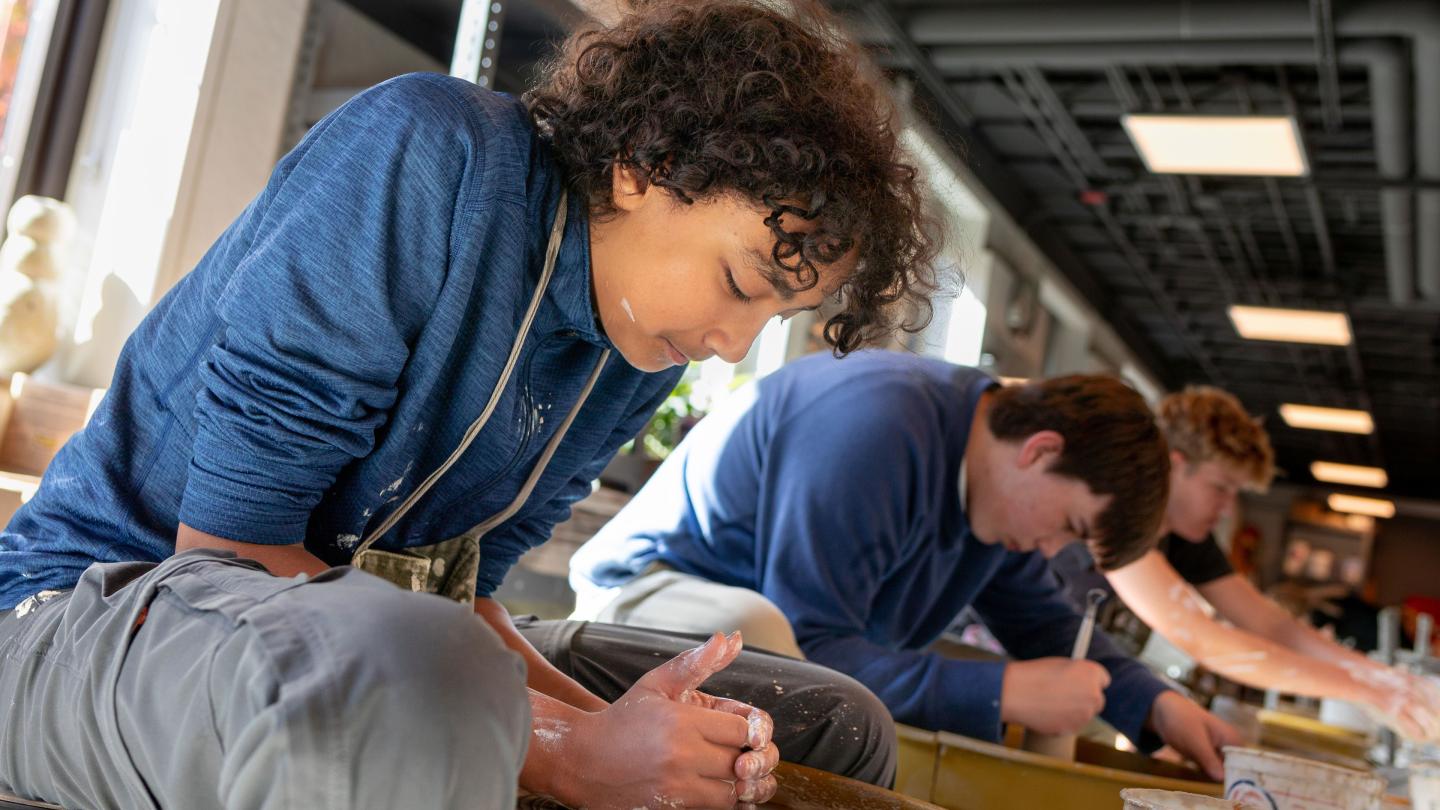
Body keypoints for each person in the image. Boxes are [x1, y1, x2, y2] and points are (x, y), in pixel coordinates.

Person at [0, 3, 938, 808]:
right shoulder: (428, 151)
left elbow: (463, 594)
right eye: (739, 284)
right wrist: (573, 760)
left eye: (782, 314)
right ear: (642, 168)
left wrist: (630, 737)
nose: (736, 344)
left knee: (829, 723)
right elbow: (230, 550)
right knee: (419, 669)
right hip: (95, 611)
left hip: (369, 642)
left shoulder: (638, 350)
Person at [570, 351, 1242, 779]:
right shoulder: (874, 425)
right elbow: (814, 648)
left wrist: (1160, 707)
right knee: (762, 630)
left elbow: (1051, 629)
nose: (1047, 552)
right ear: (1040, 450)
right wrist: (1002, 693)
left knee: (1065, 687)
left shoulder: (998, 504)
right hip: (639, 604)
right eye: (1067, 528)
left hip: (777, 649)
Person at [1051, 386, 1440, 741]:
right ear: (1173, 465)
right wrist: (1367, 691)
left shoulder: (1188, 538)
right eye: (1219, 488)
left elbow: (1272, 624)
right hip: (1028, 674)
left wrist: (1387, 678)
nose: (1226, 510)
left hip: (1087, 689)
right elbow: (1204, 640)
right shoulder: (1122, 514)